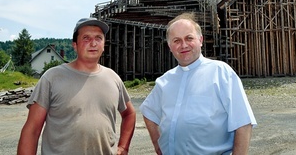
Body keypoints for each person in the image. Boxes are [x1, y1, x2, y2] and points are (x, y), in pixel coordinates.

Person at [140, 12, 257, 155]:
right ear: (170, 46)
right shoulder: (165, 81)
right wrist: (157, 143)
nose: (183, 45)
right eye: (176, 41)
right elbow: (148, 111)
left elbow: (243, 123)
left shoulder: (220, 72)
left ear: (200, 40)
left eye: (189, 38)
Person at [17, 18, 136, 155]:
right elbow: (32, 129)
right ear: (75, 44)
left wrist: (123, 147)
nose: (93, 43)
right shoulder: (52, 77)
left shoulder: (113, 78)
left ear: (104, 44)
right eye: (86, 38)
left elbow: (129, 114)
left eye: (98, 38)